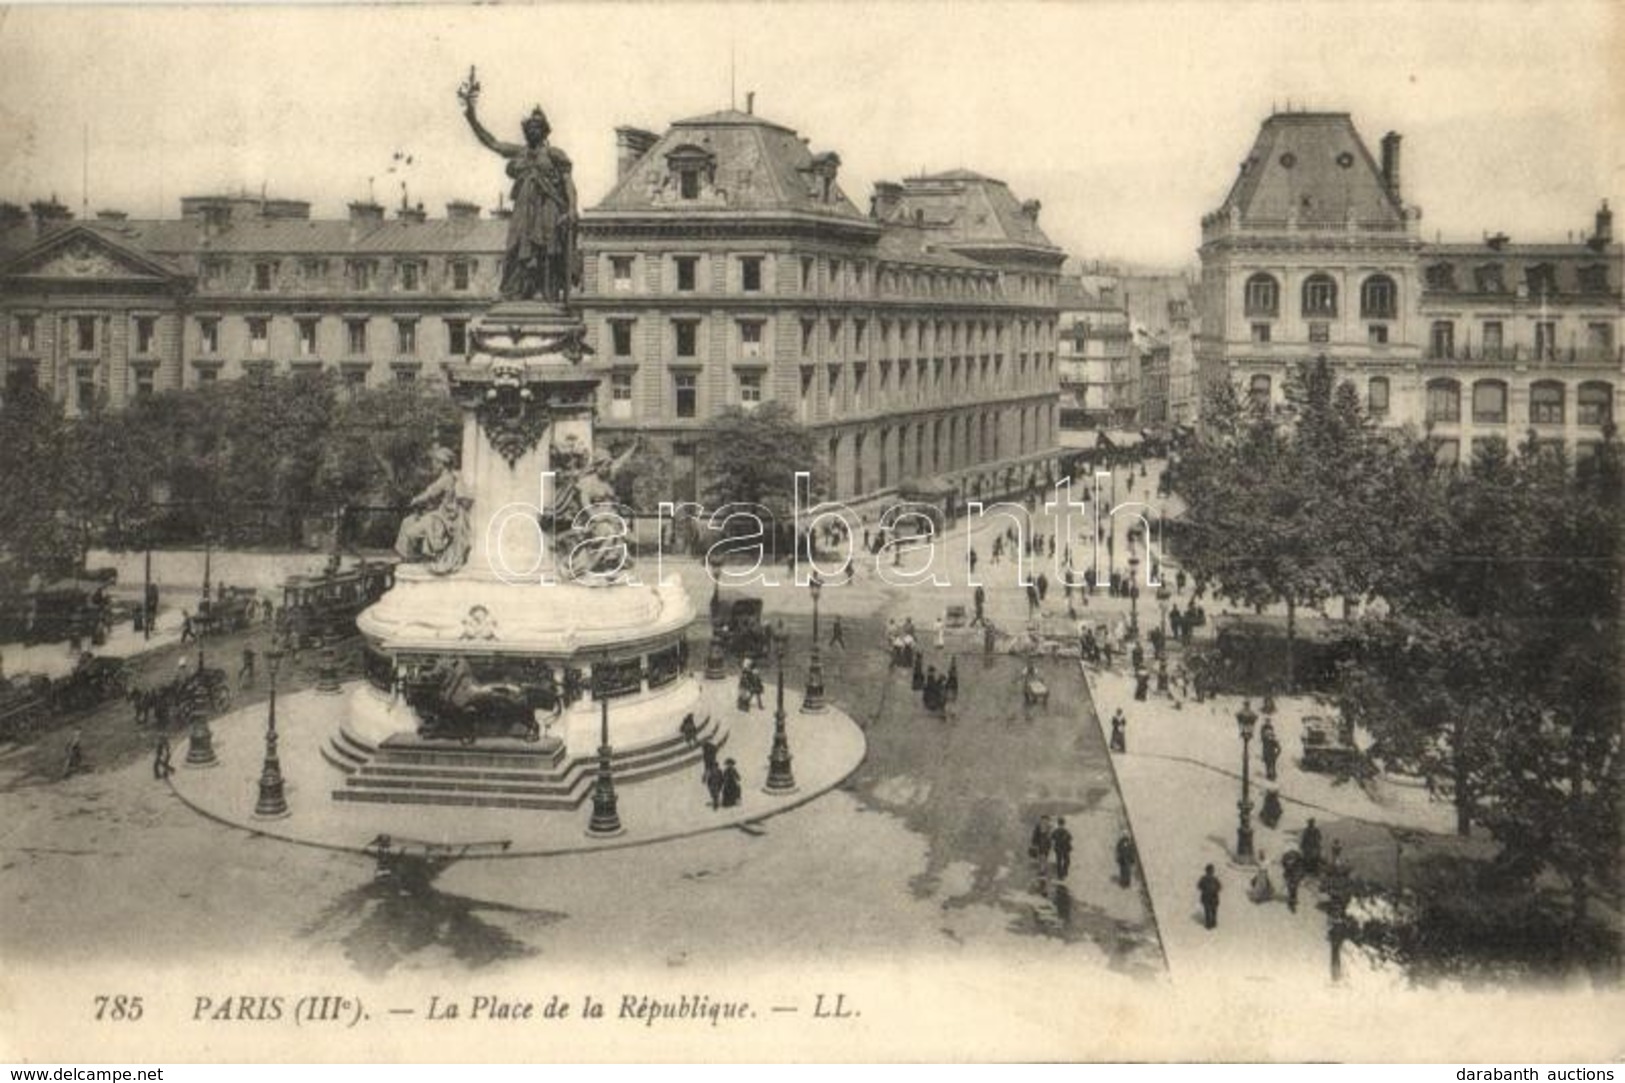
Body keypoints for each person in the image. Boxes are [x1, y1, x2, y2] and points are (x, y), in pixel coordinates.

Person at [460, 70, 578, 302]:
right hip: (524, 208)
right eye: (529, 128)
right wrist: (471, 117)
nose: (532, 131)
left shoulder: (555, 154)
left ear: (544, 131)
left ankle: (547, 293)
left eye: (537, 128)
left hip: (548, 207)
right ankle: (518, 291)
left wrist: (572, 209)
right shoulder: (519, 152)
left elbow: (568, 183)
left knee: (547, 250)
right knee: (516, 245)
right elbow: (492, 142)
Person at [395, 446, 472, 574]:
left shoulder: (445, 479)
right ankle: (411, 559)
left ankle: (412, 560)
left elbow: (429, 494)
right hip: (440, 515)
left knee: (410, 530)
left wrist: (414, 501)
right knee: (408, 522)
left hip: (443, 519)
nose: (434, 465)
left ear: (442, 463)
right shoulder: (450, 478)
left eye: (436, 462)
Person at [1198, 864, 1222, 930]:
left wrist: (1205, 889)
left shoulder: (1204, 879)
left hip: (1208, 897)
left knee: (1208, 911)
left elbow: (1199, 886)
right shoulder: (1214, 879)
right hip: (1212, 897)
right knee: (1212, 910)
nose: (1211, 872)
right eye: (1211, 871)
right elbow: (1219, 887)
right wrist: (1215, 890)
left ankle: (1210, 923)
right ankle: (1212, 923)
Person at [1281, 848, 1304, 913]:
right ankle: (1292, 902)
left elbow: (1301, 867)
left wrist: (1300, 876)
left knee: (1293, 888)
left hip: (1294, 876)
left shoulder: (1298, 858)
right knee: (1291, 888)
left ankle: (1292, 901)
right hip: (1290, 875)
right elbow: (1283, 864)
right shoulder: (1287, 857)